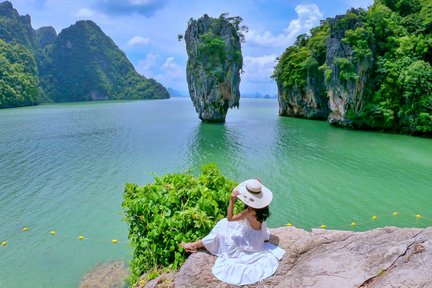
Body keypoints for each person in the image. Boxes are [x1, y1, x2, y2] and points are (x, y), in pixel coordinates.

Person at [180, 179, 285, 285]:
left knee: (223, 227)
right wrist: (256, 183)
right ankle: (197, 244)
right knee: (223, 224)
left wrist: (232, 201)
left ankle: (195, 245)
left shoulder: (249, 211)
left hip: (251, 243)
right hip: (258, 238)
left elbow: (230, 218)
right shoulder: (263, 206)